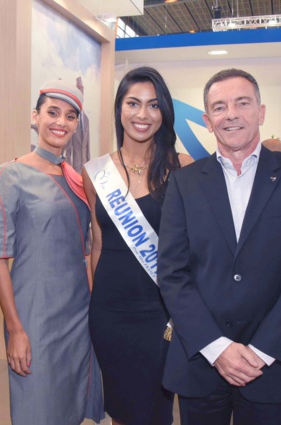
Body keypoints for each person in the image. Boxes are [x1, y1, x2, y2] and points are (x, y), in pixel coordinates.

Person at [158, 68, 281, 425]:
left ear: (261, 112)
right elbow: (173, 273)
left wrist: (262, 350)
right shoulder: (184, 183)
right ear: (207, 120)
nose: (231, 113)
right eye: (219, 107)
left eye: (242, 103)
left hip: (270, 363)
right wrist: (217, 348)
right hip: (201, 362)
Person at [0, 80, 103, 425]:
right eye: (52, 112)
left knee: (69, 406)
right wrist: (15, 329)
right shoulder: (10, 175)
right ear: (34, 117)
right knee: (37, 407)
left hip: (77, 313)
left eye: (71, 116)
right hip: (35, 316)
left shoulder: (76, 179)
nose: (61, 122)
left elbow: (85, 249)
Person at [84, 67, 193, 425]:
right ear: (119, 109)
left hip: (160, 312)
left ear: (164, 113)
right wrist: (93, 301)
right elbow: (97, 244)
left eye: (153, 105)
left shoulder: (182, 168)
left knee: (155, 409)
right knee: (121, 407)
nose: (142, 114)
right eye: (133, 103)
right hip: (109, 312)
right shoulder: (95, 171)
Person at [63, 76, 91, 172]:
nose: (81, 93)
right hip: (74, 168)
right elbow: (68, 149)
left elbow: (87, 146)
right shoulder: (71, 119)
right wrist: (68, 169)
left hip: (85, 167)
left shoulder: (86, 119)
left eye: (82, 90)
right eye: (79, 90)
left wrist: (89, 165)